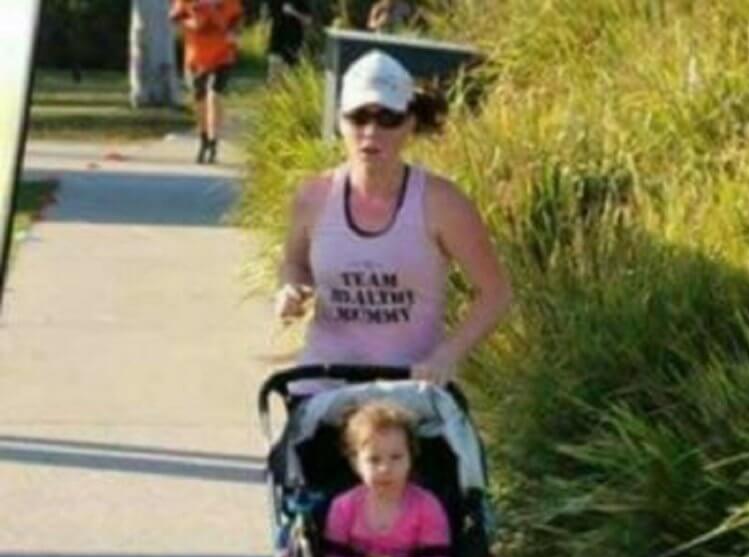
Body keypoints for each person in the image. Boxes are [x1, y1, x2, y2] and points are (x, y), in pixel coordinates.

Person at [275, 48, 512, 385]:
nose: (371, 132)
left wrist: (446, 356)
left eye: (388, 119)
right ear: (340, 122)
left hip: (411, 386)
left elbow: (495, 293)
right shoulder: (313, 196)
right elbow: (294, 263)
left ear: (409, 124)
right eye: (359, 118)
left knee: (394, 424)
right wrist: (290, 290)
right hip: (323, 381)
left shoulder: (442, 203)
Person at [324, 400, 451, 557]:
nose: (385, 468)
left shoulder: (426, 505)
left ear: (410, 458)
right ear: (356, 463)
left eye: (396, 457)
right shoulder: (344, 506)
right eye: (374, 459)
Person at [169, 0, 244, 164]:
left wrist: (234, 34)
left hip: (223, 55)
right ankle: (204, 139)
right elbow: (175, 20)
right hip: (196, 58)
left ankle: (213, 141)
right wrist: (191, 24)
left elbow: (237, 20)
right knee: (199, 99)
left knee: (214, 94)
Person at [266, 0, 312, 80]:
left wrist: (293, 12)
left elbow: (308, 21)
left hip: (292, 43)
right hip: (276, 40)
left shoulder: (300, 2)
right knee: (273, 74)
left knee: (287, 77)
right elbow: (269, 16)